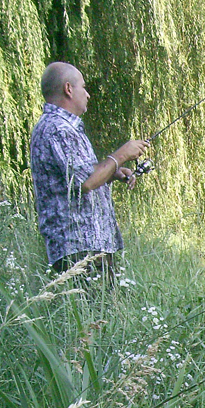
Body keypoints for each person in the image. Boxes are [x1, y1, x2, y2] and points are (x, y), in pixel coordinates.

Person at [29, 61, 149, 285]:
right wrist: (122, 154)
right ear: (68, 89)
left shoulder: (61, 127)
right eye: (83, 87)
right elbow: (86, 182)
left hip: (87, 247)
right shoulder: (58, 129)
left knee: (105, 307)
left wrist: (112, 172)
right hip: (79, 247)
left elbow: (77, 175)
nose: (88, 94)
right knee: (98, 308)